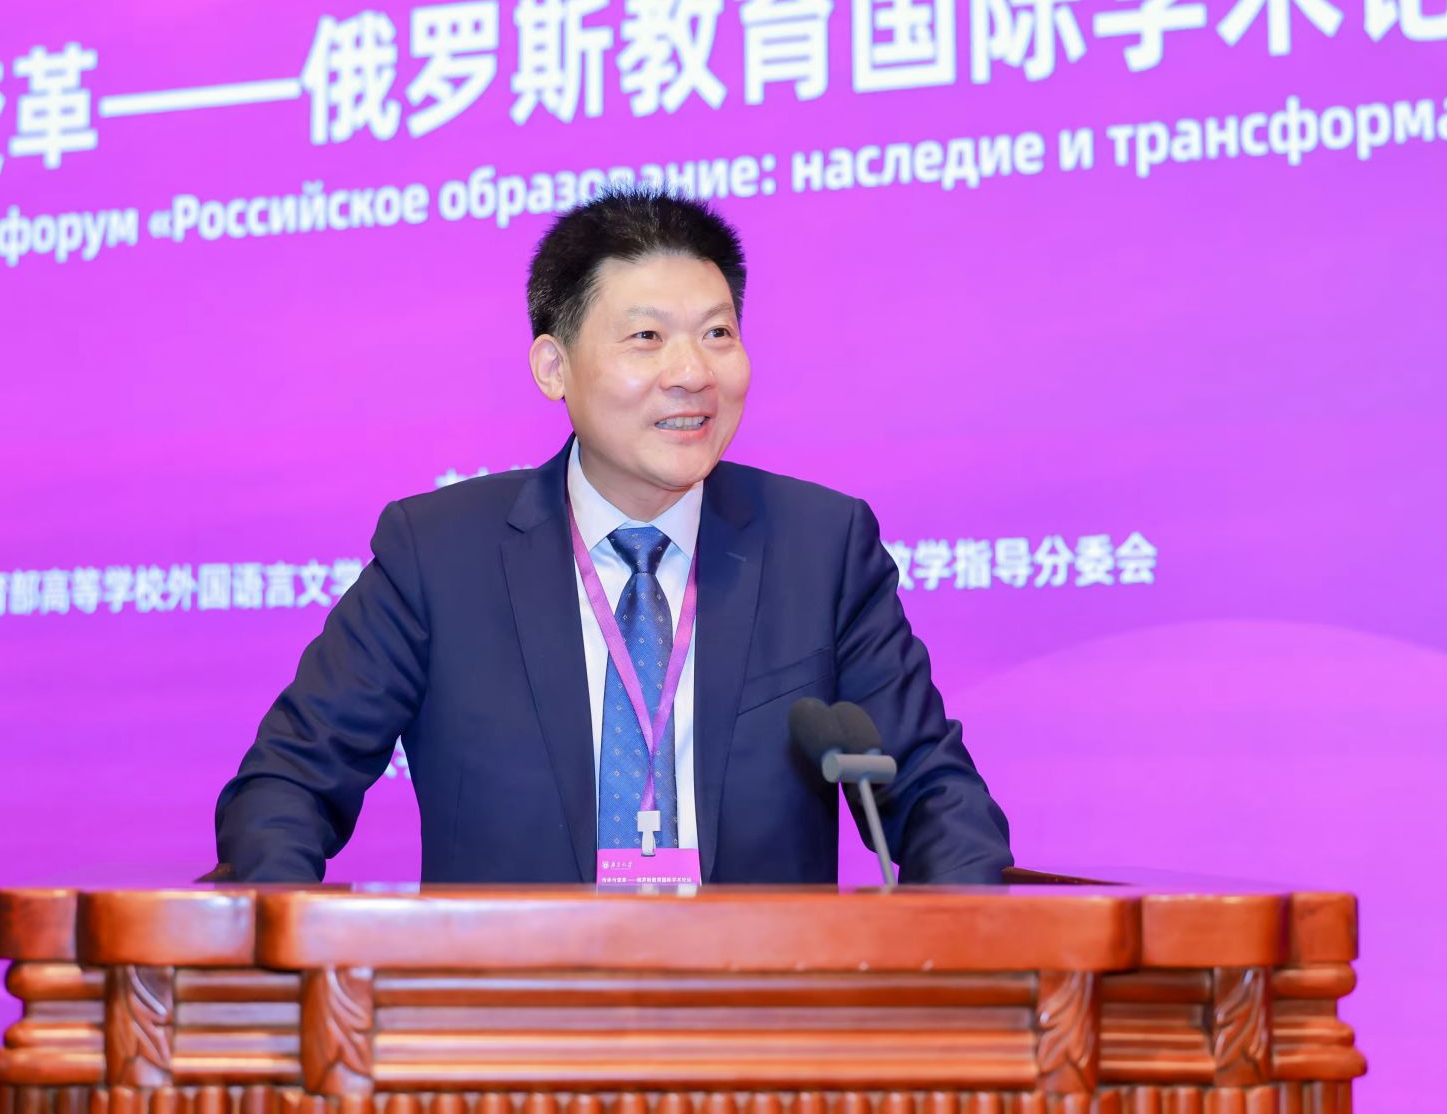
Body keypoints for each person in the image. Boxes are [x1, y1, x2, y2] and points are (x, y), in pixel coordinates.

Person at [216, 191, 1011, 884]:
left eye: (718, 334)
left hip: (759, 1002)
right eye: (647, 338)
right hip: (504, 1003)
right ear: (553, 367)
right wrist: (302, 954)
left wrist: (960, 963)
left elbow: (938, 800)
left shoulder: (823, 548)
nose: (693, 373)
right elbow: (286, 786)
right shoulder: (437, 556)